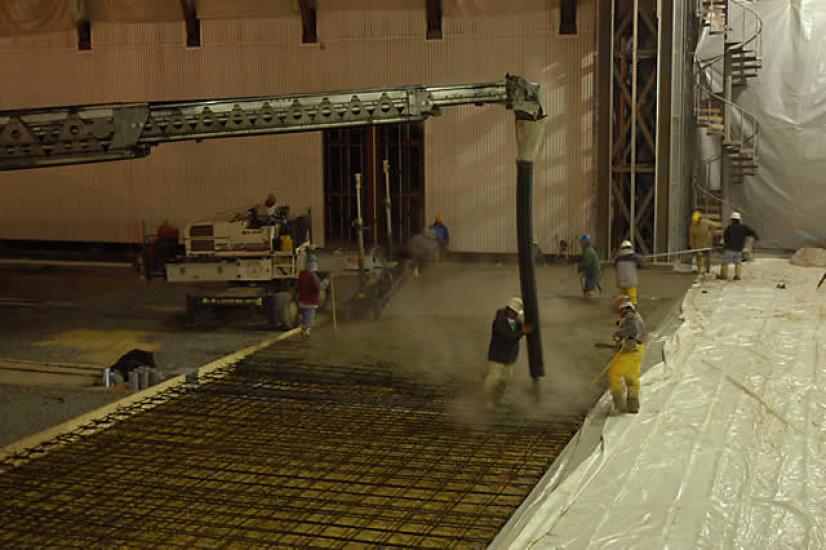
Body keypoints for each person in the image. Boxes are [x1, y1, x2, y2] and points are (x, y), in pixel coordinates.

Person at [484, 297, 533, 408]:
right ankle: (488, 399)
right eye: (515, 313)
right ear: (509, 310)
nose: (516, 315)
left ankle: (499, 398)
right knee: (495, 378)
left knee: (505, 380)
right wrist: (522, 332)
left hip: (510, 357)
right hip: (497, 356)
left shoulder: (515, 320)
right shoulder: (499, 321)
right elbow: (509, 336)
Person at [607, 297, 646, 414]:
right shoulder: (634, 315)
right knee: (631, 376)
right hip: (637, 350)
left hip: (628, 350)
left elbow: (632, 328)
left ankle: (619, 402)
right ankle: (633, 404)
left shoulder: (630, 317)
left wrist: (619, 333)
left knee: (615, 374)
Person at [719, 211, 758, 281]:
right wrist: (756, 237)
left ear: (732, 220)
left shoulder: (729, 227)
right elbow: (752, 232)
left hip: (729, 248)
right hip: (738, 249)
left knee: (725, 262)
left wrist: (723, 245)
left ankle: (724, 275)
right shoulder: (744, 227)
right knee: (738, 263)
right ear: (739, 219)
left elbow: (725, 237)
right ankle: (737, 276)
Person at [297, 254, 328, 337]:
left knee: (304, 316)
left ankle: (303, 329)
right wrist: (326, 281)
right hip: (311, 301)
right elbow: (318, 287)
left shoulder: (302, 274)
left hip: (302, 300)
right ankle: (306, 331)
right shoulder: (313, 276)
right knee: (309, 317)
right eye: (314, 262)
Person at [689, 210, 721, 275]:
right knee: (699, 258)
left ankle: (707, 269)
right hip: (698, 245)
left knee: (707, 257)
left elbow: (715, 225)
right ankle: (700, 270)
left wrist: (714, 231)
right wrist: (692, 246)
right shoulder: (692, 227)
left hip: (707, 243)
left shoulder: (706, 223)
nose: (698, 221)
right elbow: (691, 238)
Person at [614, 240, 643, 306]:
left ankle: (623, 307)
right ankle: (632, 308)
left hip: (621, 280)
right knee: (632, 296)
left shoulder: (618, 258)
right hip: (631, 280)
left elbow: (615, 266)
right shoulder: (635, 257)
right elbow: (641, 265)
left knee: (622, 296)